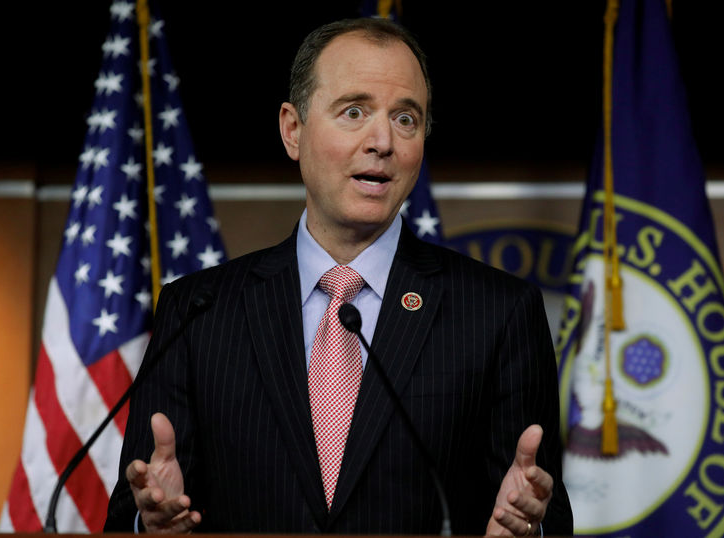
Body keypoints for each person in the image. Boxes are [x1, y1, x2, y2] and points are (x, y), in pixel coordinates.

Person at [105, 17, 572, 536]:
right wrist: (151, 529)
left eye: (406, 119)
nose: (382, 141)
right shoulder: (197, 311)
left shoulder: (498, 313)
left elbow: (541, 509)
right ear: (293, 129)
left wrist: (527, 531)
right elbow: (134, 511)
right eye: (354, 111)